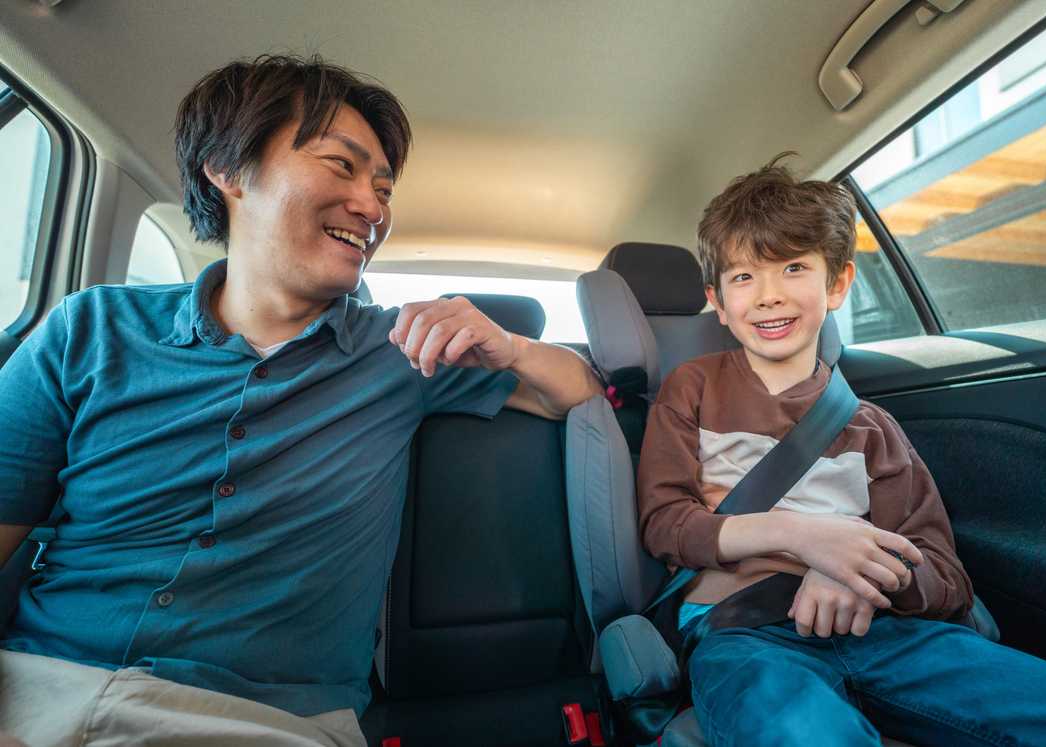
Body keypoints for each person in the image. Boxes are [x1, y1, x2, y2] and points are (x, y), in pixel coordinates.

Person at [0, 55, 601, 746]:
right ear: (227, 171)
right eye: (342, 167)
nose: (374, 207)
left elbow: (578, 394)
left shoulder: (402, 353)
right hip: (35, 690)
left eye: (384, 188)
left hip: (264, 722)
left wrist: (515, 347)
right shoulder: (90, 329)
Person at [637, 155, 1046, 746]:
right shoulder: (693, 387)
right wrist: (799, 535)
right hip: (745, 630)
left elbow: (944, 573)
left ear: (837, 283)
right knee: (802, 733)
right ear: (717, 299)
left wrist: (860, 577)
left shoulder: (870, 426)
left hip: (885, 630)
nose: (767, 296)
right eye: (744, 277)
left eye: (792, 268)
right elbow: (665, 524)